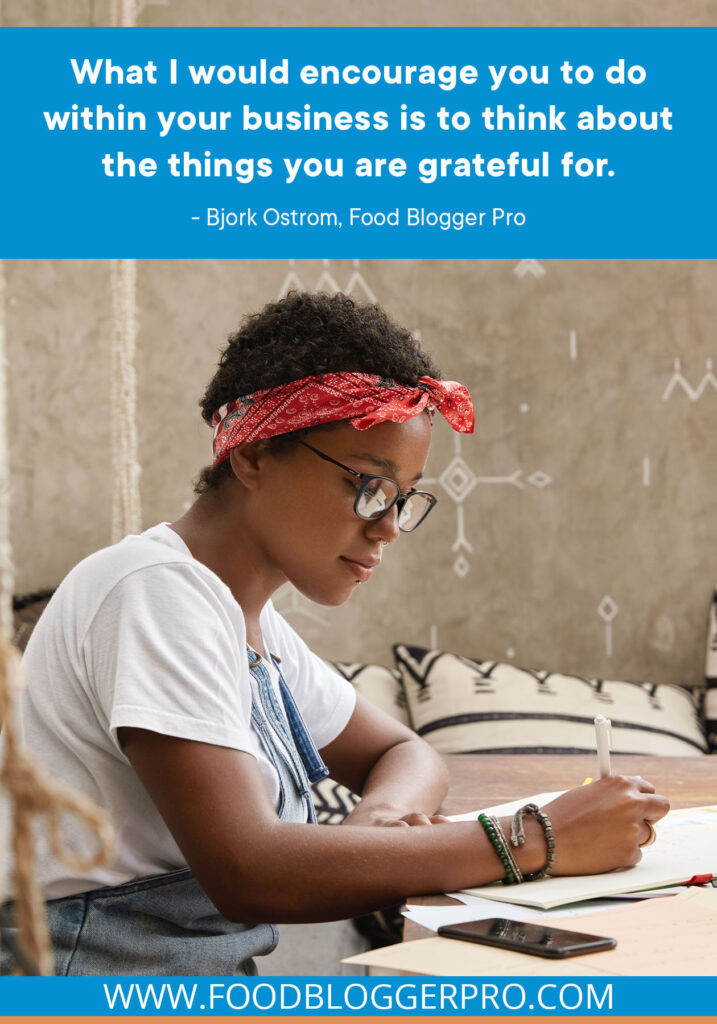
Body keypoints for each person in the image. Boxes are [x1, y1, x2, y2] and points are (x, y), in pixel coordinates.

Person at [0, 291, 669, 976]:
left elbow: (405, 753)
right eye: (368, 486)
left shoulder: (250, 623)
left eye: (403, 499)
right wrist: (535, 838)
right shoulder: (151, 592)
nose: (386, 526)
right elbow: (249, 872)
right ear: (255, 457)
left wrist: (377, 821)